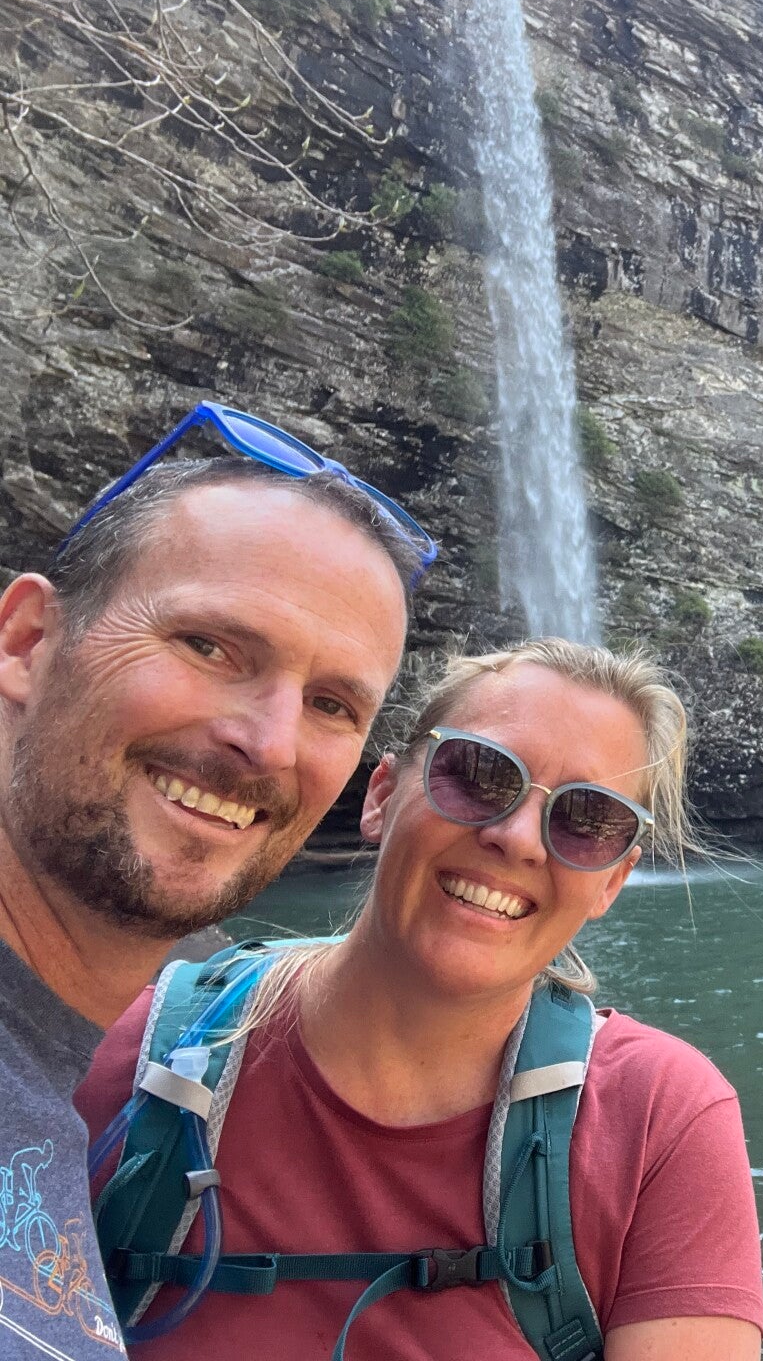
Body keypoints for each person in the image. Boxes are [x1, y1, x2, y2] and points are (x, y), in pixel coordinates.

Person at [77, 639, 763, 1361]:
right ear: (381, 796)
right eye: (480, 775)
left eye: (587, 820)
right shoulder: (115, 1060)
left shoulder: (661, 1121)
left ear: (612, 883)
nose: (517, 839)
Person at [0, 404, 428, 1361]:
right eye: (210, 646)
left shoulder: (57, 1095)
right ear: (27, 642)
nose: (268, 743)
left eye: (331, 704)